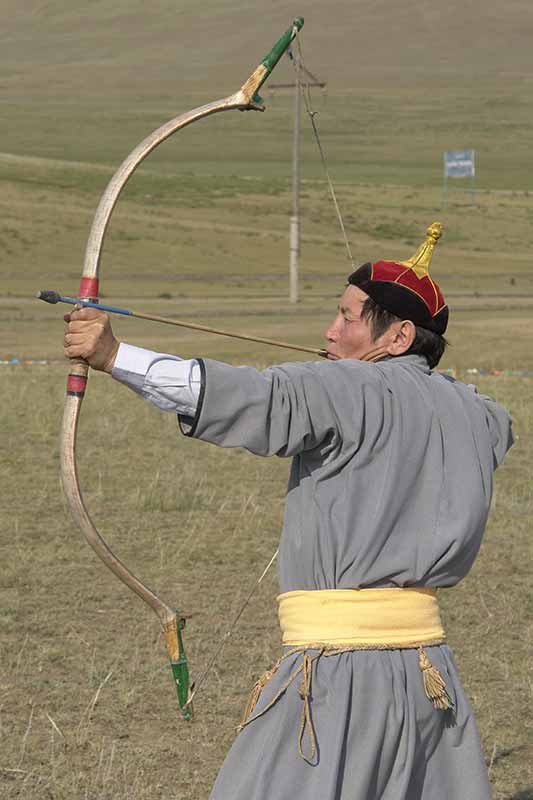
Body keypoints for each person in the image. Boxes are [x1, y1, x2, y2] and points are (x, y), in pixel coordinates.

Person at [63, 222, 513, 799]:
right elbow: (481, 421)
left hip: (336, 675)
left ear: (398, 336)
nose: (330, 331)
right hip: (431, 678)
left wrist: (112, 354)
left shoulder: (344, 388)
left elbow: (243, 396)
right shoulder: (479, 414)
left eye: (348, 318)